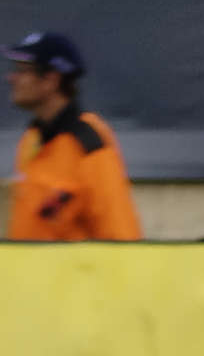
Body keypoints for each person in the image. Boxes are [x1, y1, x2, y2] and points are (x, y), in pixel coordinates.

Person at [7, 31, 140, 243]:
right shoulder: (32, 139)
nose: (11, 78)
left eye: (22, 71)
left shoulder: (87, 141)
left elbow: (119, 234)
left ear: (51, 80)